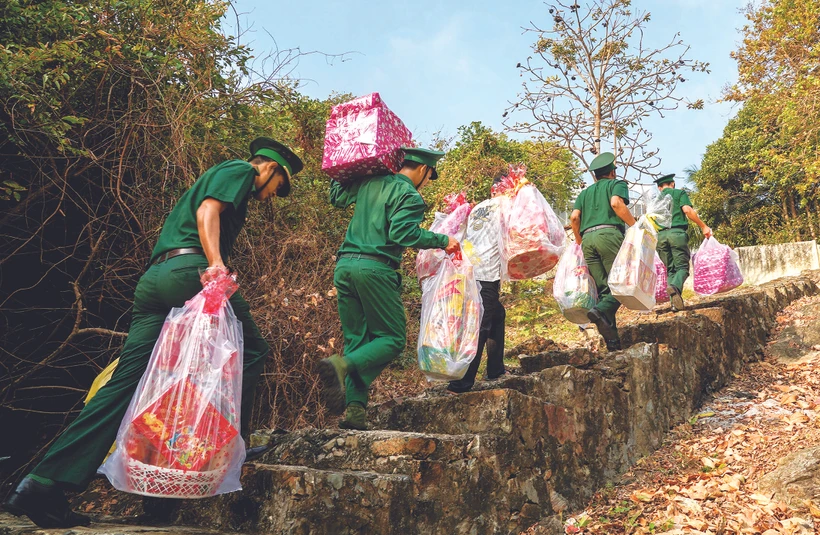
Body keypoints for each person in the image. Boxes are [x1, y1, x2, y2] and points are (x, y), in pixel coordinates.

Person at [3, 137, 303, 529]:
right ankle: (232, 450)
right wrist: (215, 265)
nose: (268, 197)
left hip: (154, 281)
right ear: (271, 169)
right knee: (252, 350)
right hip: (190, 273)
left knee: (127, 383)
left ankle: (43, 484)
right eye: (276, 188)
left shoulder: (229, 177)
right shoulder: (241, 170)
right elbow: (209, 209)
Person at [319, 147, 460, 430]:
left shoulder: (370, 181)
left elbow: (336, 197)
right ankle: (340, 365)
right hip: (375, 269)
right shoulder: (409, 195)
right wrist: (443, 240)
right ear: (423, 170)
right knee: (393, 338)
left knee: (359, 340)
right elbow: (403, 234)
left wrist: (345, 167)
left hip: (345, 267)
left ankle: (355, 414)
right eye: (429, 176)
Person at [570, 152, 636, 351]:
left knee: (605, 290)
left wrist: (581, 241)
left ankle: (613, 342)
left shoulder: (584, 193)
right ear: (612, 172)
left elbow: (574, 218)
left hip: (588, 240)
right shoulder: (617, 184)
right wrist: (634, 226)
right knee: (622, 283)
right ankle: (598, 311)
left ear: (595, 175)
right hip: (609, 235)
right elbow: (616, 203)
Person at [447, 172, 507, 393]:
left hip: (470, 271)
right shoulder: (506, 207)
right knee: (481, 325)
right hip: (487, 274)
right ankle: (461, 382)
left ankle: (495, 368)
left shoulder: (479, 207)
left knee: (497, 314)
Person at [654, 173, 712, 312]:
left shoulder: (656, 200)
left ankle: (675, 304)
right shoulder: (679, 193)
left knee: (671, 270)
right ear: (672, 184)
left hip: (660, 237)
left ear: (659, 188)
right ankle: (675, 288)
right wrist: (703, 226)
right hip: (677, 234)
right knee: (682, 269)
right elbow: (687, 210)